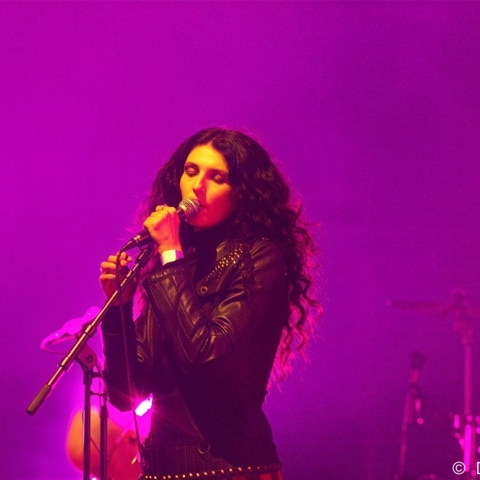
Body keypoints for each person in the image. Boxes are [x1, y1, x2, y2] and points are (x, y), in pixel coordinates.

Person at [99, 127, 321, 480]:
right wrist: (119, 308)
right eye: (191, 172)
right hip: (162, 470)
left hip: (231, 468)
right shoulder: (173, 264)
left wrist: (171, 255)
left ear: (241, 193)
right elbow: (128, 394)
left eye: (216, 177)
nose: (198, 186)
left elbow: (204, 355)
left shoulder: (259, 257)